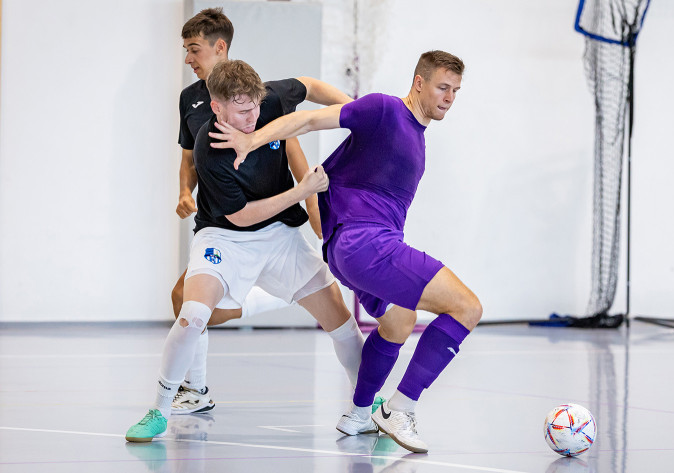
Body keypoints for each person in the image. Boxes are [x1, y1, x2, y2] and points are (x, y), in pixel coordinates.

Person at [210, 50, 482, 454]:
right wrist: (252, 138)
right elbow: (307, 118)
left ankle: (358, 414)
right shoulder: (385, 110)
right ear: (419, 82)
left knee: (399, 319)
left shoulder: (417, 139)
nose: (449, 97)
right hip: (364, 243)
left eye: (456, 91)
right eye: (442, 87)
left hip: (350, 249)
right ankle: (399, 408)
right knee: (467, 307)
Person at [125, 59, 366, 442]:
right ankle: (160, 409)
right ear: (216, 106)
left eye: (255, 105)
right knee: (191, 315)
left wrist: (360, 112)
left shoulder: (268, 100)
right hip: (225, 237)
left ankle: (367, 405)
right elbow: (241, 216)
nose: (253, 115)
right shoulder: (209, 147)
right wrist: (300, 193)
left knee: (343, 325)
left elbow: (311, 86)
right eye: (241, 109)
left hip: (281, 237)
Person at [168, 7, 346, 415]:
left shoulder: (252, 94)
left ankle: (264, 301)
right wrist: (183, 191)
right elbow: (189, 159)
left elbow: (293, 142)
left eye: (194, 49)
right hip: (224, 225)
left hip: (271, 223)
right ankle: (195, 388)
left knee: (191, 302)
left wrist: (311, 201)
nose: (188, 59)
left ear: (220, 47)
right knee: (184, 300)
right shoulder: (190, 99)